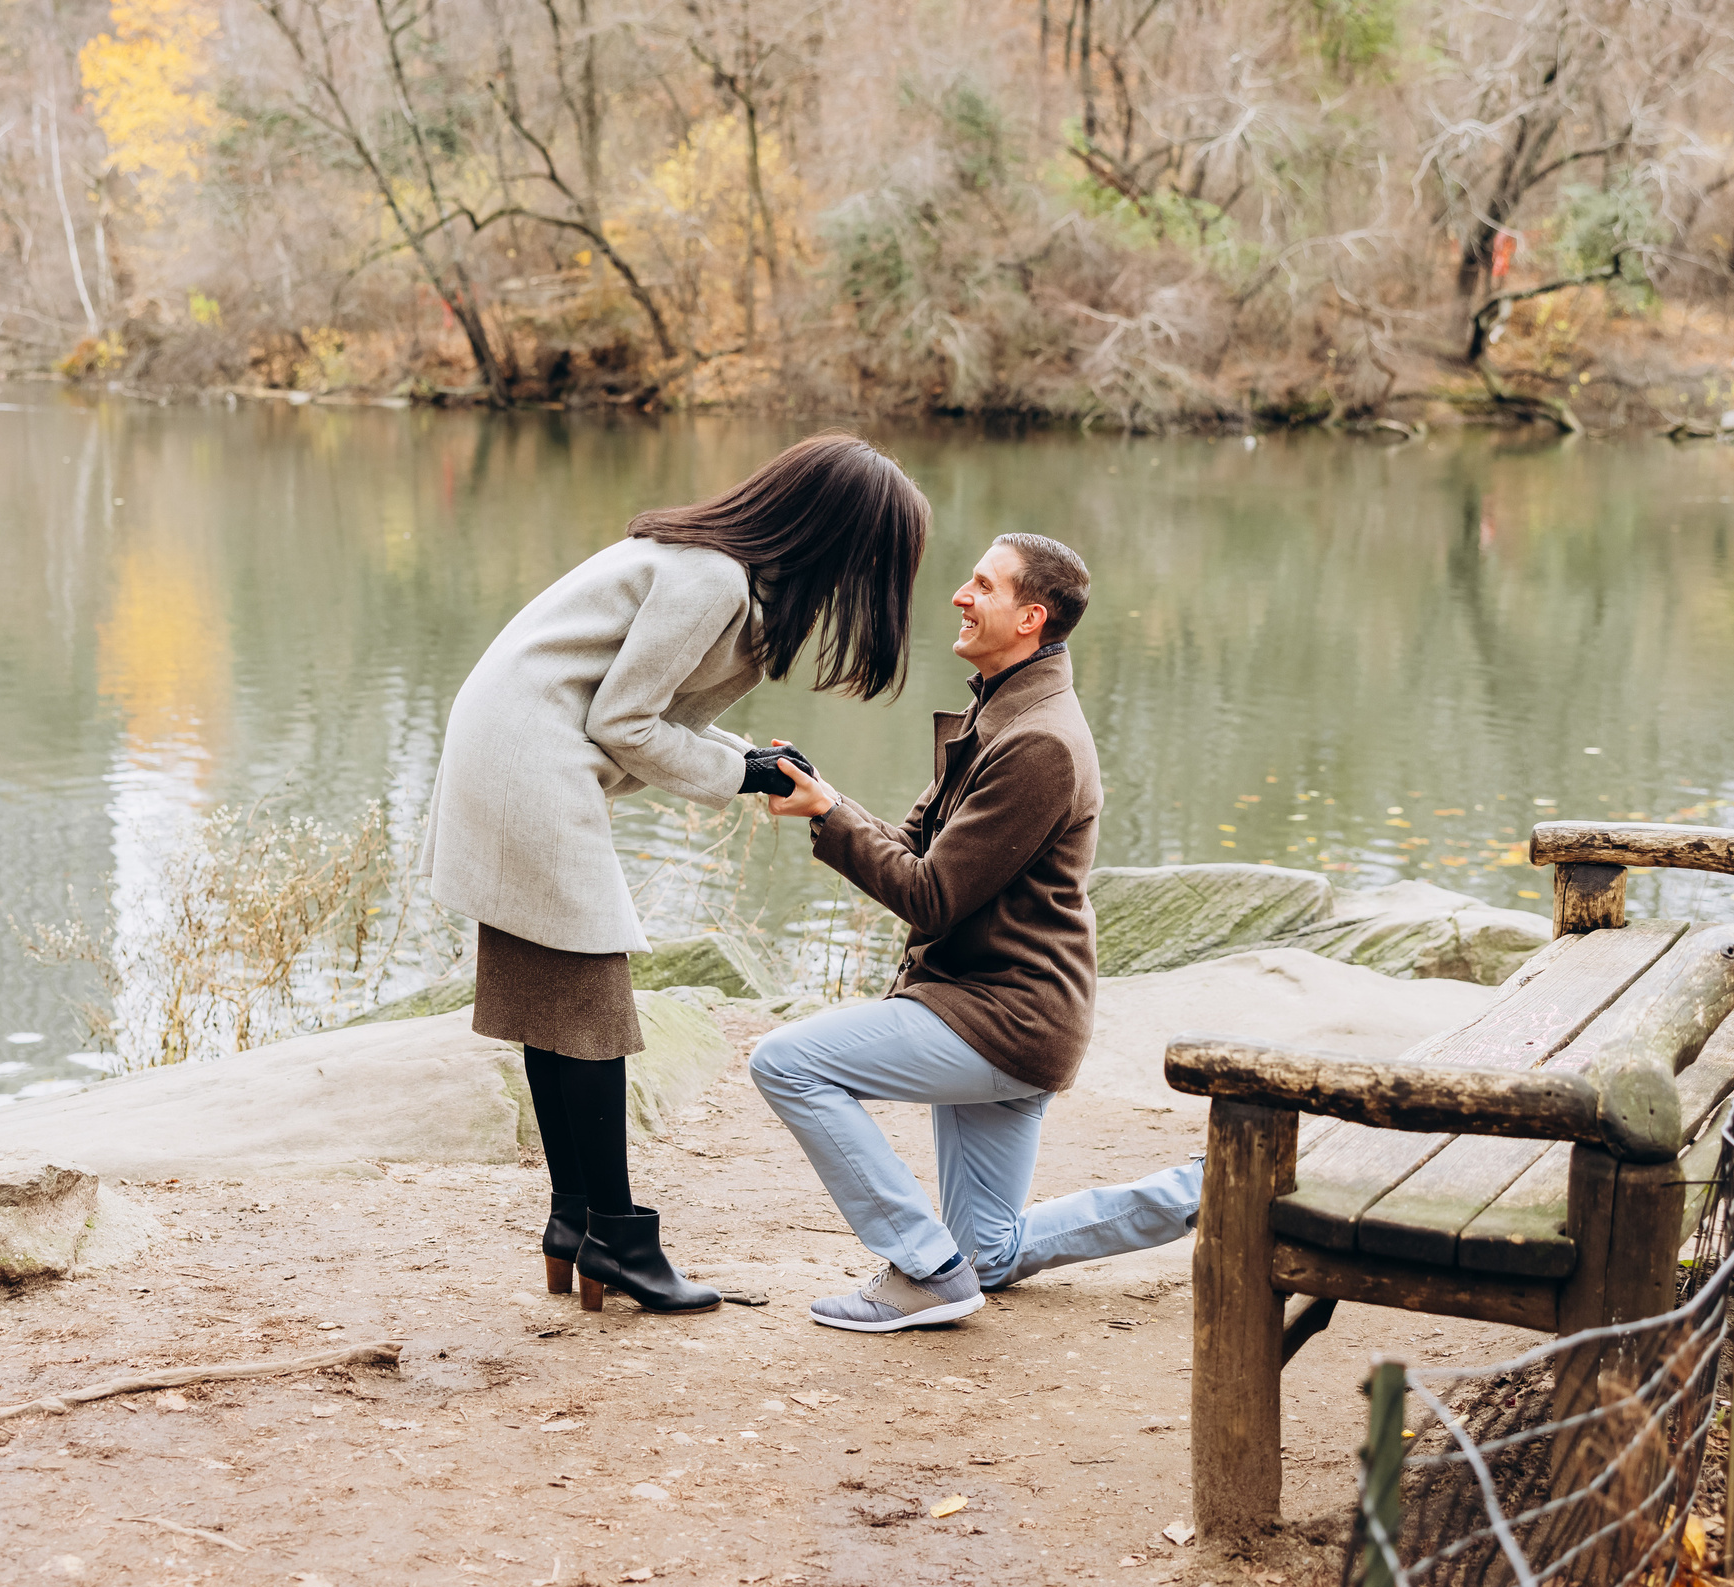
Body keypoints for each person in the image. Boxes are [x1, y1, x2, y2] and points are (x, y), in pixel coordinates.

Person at [422, 434, 930, 1315]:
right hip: (530, 760)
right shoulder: (712, 580)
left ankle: (575, 1224)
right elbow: (624, 722)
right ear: (833, 534)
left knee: (555, 1008)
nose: (873, 576)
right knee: (592, 1008)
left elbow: (632, 707)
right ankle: (618, 1240)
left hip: (516, 747)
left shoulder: (716, 570)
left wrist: (752, 762)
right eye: (876, 555)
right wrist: (744, 775)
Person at [748, 533, 1204, 1332]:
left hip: (1001, 1019)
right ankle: (1214, 1188)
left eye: (983, 586)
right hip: (999, 1011)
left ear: (1031, 617)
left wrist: (829, 817)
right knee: (988, 1253)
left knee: (787, 1063)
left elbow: (931, 895)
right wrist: (827, 797)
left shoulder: (1040, 743)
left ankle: (922, 1267)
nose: (960, 595)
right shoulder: (1002, 710)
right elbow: (920, 846)